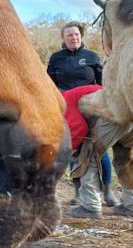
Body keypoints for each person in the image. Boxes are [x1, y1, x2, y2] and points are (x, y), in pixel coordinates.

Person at [47, 22, 118, 206]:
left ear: (81, 36)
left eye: (76, 34)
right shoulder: (56, 58)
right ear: (63, 38)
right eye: (69, 35)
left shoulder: (92, 57)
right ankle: (79, 192)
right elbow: (49, 85)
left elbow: (103, 84)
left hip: (92, 108)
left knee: (98, 149)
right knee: (74, 149)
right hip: (67, 108)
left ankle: (108, 191)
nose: (74, 38)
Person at [61, 85, 133, 219]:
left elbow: (78, 127)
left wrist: (71, 150)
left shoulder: (63, 101)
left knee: (88, 156)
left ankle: (90, 206)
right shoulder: (80, 91)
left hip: (112, 117)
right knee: (126, 160)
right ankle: (132, 205)